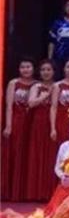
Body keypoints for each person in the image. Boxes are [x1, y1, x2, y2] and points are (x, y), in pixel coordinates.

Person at [3, 101, 69, 218]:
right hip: (66, 186)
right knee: (56, 216)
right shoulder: (65, 146)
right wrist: (63, 177)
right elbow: (57, 168)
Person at [2, 59, 35, 201]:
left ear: (33, 68)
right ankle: (11, 192)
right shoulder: (13, 83)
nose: (26, 70)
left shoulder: (37, 84)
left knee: (28, 156)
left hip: (31, 123)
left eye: (28, 67)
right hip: (16, 120)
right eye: (23, 67)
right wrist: (8, 125)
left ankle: (26, 192)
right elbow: (9, 106)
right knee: (15, 153)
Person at [24, 60, 57, 201]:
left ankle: (50, 192)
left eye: (49, 69)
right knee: (37, 154)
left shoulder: (57, 86)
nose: (46, 72)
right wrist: (43, 96)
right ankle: (36, 192)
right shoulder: (36, 86)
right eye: (43, 70)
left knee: (51, 156)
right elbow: (31, 103)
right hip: (38, 123)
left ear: (53, 71)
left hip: (53, 122)